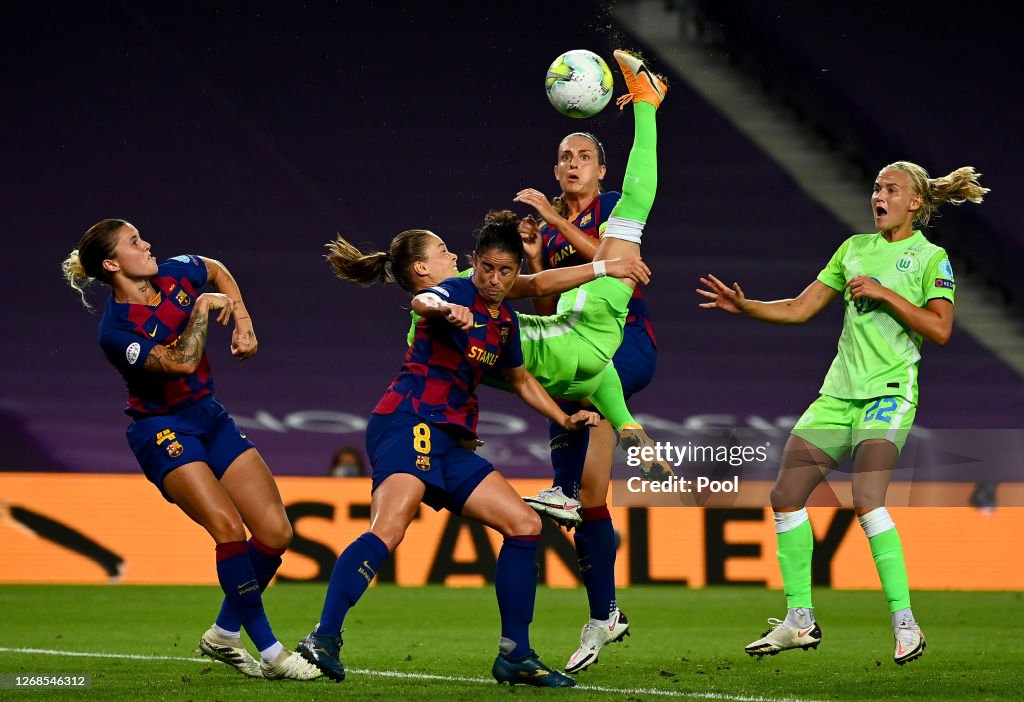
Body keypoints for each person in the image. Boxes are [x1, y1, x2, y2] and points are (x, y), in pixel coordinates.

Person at [696, 162, 989, 665]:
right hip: (838, 395)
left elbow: (940, 329)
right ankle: (799, 621)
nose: (879, 195)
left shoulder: (930, 257)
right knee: (786, 495)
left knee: (866, 497)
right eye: (876, 187)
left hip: (889, 394)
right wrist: (746, 307)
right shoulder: (853, 250)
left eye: (891, 189)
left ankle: (905, 624)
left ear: (914, 203)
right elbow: (800, 307)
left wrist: (884, 293)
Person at [298, 211, 601, 687]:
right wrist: (443, 309)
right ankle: (324, 638)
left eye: (506, 271)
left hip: (451, 441)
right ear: (471, 265)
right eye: (481, 267)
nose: (492, 277)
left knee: (523, 525)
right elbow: (423, 302)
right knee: (391, 527)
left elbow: (521, 379)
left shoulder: (502, 321)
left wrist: (564, 418)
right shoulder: (455, 291)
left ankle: (515, 655)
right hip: (408, 422)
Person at [61, 220, 321, 681]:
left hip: (210, 417)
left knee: (276, 533)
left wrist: (243, 321)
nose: (148, 245)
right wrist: (202, 307)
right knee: (227, 529)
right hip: (161, 429)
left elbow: (216, 268)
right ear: (112, 264)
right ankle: (274, 653)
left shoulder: (175, 272)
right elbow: (179, 362)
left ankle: (222, 634)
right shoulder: (117, 331)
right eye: (135, 243)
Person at [513, 48, 666, 673]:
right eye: (565, 158)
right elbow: (548, 301)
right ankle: (605, 613)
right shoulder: (548, 231)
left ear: (603, 171)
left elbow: (606, 256)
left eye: (584, 157)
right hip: (573, 354)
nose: (572, 165)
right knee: (595, 499)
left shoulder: (607, 213)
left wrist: (552, 217)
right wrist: (530, 258)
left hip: (623, 345)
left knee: (576, 483)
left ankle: (563, 490)